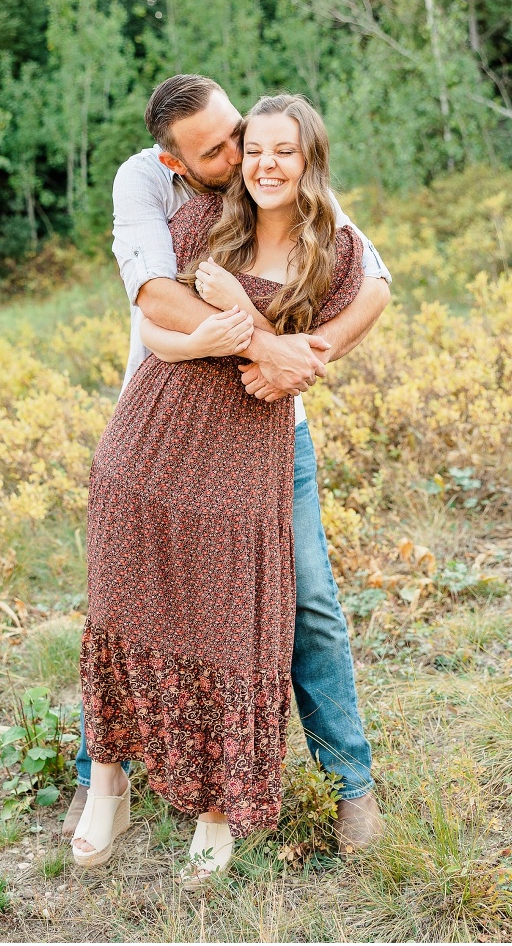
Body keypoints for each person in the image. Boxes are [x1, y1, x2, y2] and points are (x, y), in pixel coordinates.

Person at [63, 75, 390, 859]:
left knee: (304, 600)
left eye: (243, 131)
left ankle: (353, 784)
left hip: (272, 436)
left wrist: (303, 358)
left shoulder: (281, 170)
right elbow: (154, 298)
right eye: (222, 148)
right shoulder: (156, 188)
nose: (245, 152)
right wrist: (261, 340)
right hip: (166, 421)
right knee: (125, 589)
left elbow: (372, 281)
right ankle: (99, 771)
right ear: (178, 161)